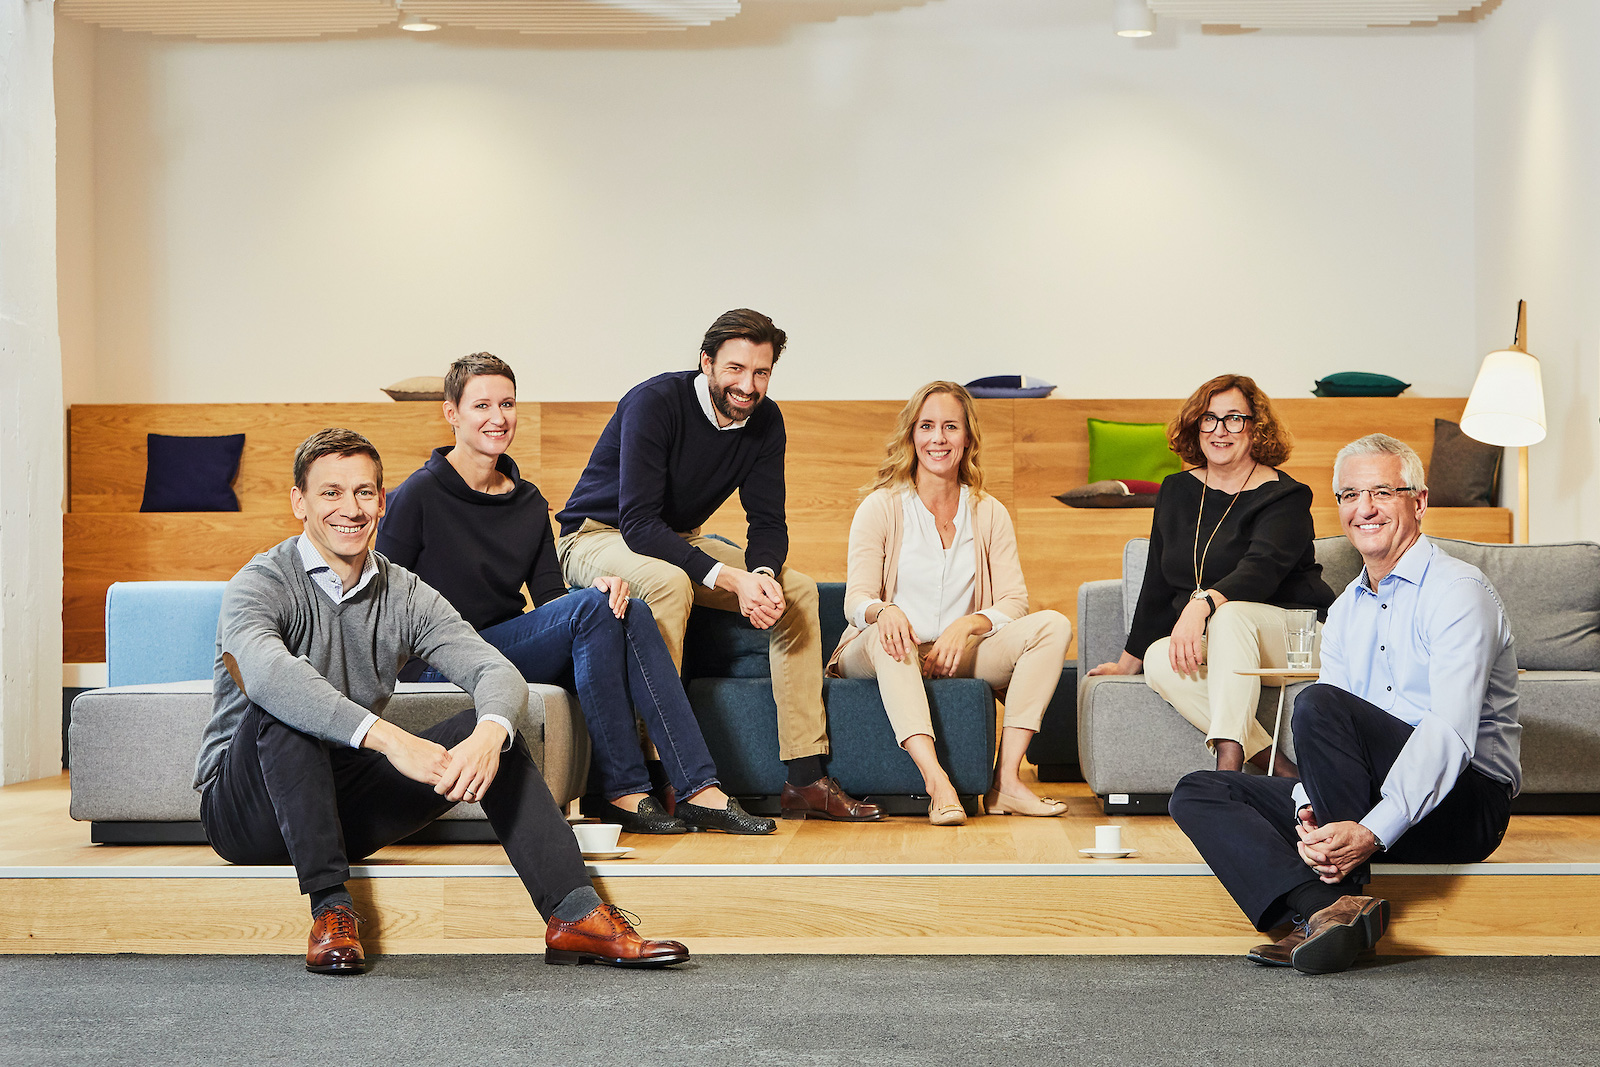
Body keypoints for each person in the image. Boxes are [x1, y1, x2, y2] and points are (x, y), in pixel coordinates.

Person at [195, 428, 690, 975]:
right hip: (247, 811)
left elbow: (493, 668)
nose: (350, 509)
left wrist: (489, 735)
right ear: (300, 502)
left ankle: (574, 914)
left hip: (341, 803)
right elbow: (268, 676)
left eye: (363, 492)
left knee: (492, 729)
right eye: (330, 493)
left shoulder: (403, 592)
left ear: (382, 502)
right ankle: (331, 910)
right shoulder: (261, 583)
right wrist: (392, 741)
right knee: (286, 709)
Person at [377, 353, 773, 836]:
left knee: (623, 607)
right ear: (452, 413)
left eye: (507, 404)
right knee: (593, 609)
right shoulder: (417, 495)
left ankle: (695, 789)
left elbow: (550, 598)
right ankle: (627, 789)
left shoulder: (528, 500)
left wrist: (599, 588)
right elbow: (381, 601)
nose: (498, 417)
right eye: (481, 405)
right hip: (437, 661)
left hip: (501, 650)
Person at [1168, 433, 1521, 975]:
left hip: (1463, 803)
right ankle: (1327, 911)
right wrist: (1310, 805)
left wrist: (1372, 831)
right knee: (1201, 790)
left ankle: (1340, 896)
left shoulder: (1458, 591)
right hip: (1368, 798)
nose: (1365, 508)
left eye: (1383, 492)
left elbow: (1449, 735)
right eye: (1350, 495)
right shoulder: (1345, 611)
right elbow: (1330, 747)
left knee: (1318, 703)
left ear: (1419, 501)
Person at [557, 309, 882, 823]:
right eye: (735, 369)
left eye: (761, 372)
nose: (748, 386)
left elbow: (768, 523)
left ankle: (804, 775)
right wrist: (729, 578)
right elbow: (637, 521)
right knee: (669, 584)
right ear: (706, 362)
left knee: (797, 591)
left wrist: (763, 576)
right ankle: (663, 773)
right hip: (596, 535)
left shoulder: (766, 421)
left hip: (674, 538)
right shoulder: (654, 402)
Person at [830, 382, 1072, 825]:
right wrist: (885, 611)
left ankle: (1007, 782)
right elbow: (856, 601)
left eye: (950, 427)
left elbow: (1015, 602)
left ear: (967, 437)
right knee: (891, 637)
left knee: (1053, 626)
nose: (937, 438)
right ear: (911, 435)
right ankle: (937, 782)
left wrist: (969, 625)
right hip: (881, 647)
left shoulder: (989, 511)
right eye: (926, 426)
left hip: (953, 654)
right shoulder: (881, 507)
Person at [1088, 374, 1334, 775]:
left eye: (1234, 418)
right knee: (1159, 658)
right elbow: (1157, 584)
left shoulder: (1286, 495)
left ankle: (1228, 769)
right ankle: (1281, 769)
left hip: (1296, 638)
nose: (1220, 430)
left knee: (1231, 614)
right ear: (1196, 426)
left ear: (1256, 427)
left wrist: (1201, 605)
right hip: (1223, 640)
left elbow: (1261, 570)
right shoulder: (1176, 491)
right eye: (1209, 418)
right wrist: (1126, 663)